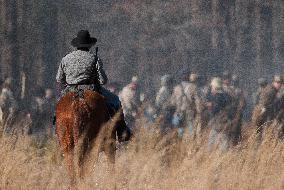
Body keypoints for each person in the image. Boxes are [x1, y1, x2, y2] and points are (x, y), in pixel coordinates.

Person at [56, 30, 130, 139]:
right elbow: (103, 80)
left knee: (59, 108)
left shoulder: (65, 59)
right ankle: (122, 131)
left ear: (76, 45)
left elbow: (60, 79)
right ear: (89, 45)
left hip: (70, 90)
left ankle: (57, 126)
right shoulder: (94, 58)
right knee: (115, 100)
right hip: (91, 89)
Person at [252, 75, 283, 141]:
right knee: (263, 137)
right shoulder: (270, 90)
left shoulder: (273, 90)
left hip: (267, 117)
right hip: (265, 118)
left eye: (280, 83)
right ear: (273, 82)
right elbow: (263, 105)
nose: (279, 84)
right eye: (277, 82)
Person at [206, 77, 232, 151]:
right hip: (225, 119)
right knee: (221, 137)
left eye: (212, 86)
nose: (211, 87)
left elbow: (215, 109)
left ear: (215, 86)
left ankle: (212, 154)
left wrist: (210, 106)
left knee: (218, 138)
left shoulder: (218, 96)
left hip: (219, 120)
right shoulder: (225, 95)